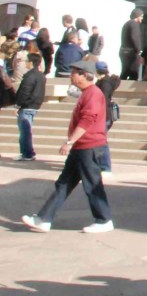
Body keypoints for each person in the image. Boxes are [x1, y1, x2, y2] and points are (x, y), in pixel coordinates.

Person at [22, 57, 113, 233]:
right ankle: (44, 219)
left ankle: (103, 219)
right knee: (64, 183)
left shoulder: (93, 94)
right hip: (82, 146)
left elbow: (88, 120)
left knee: (92, 184)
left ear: (85, 75)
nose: (71, 76)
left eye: (74, 73)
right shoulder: (87, 93)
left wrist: (69, 141)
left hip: (89, 146)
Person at [4, 50, 43, 160]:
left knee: (24, 132)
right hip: (34, 105)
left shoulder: (30, 76)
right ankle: (29, 152)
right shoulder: (40, 75)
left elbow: (24, 92)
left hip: (26, 106)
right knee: (27, 130)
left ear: (30, 63)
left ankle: (27, 153)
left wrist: (17, 105)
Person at [95, 62, 120, 175]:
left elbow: (102, 99)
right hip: (106, 114)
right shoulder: (107, 81)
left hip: (103, 114)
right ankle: (99, 164)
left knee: (101, 140)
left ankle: (105, 166)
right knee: (99, 140)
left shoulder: (104, 83)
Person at [120, 9, 144, 81]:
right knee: (134, 73)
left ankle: (120, 87)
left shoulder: (127, 23)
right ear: (137, 16)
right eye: (141, 16)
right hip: (131, 52)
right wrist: (138, 50)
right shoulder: (134, 24)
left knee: (125, 72)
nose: (142, 18)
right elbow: (135, 37)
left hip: (123, 51)